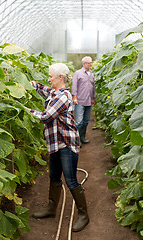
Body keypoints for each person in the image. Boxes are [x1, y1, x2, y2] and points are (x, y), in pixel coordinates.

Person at [24, 63, 89, 232]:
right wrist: (31, 85)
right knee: (54, 177)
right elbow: (44, 90)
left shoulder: (63, 97)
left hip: (67, 145)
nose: (48, 78)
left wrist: (25, 110)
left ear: (60, 78)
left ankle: (84, 215)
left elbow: (46, 117)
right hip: (55, 144)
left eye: (51, 76)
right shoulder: (55, 92)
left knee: (71, 180)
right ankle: (51, 209)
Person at [72, 56, 95, 144]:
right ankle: (76, 141)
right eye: (89, 63)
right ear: (84, 64)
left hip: (89, 101)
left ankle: (82, 137)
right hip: (80, 101)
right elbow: (74, 86)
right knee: (79, 122)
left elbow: (93, 87)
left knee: (86, 121)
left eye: (91, 62)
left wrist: (94, 98)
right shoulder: (78, 73)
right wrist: (74, 98)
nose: (91, 64)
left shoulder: (91, 74)